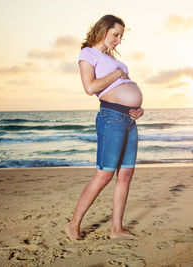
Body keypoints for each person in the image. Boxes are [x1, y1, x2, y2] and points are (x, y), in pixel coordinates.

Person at [65, 14, 144, 240]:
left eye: (121, 36)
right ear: (103, 30)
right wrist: (117, 73)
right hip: (111, 119)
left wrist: (138, 108)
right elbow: (90, 88)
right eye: (115, 34)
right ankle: (73, 224)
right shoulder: (88, 54)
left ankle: (117, 229)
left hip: (129, 120)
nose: (119, 40)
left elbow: (124, 88)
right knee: (104, 175)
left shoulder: (113, 59)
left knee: (126, 174)